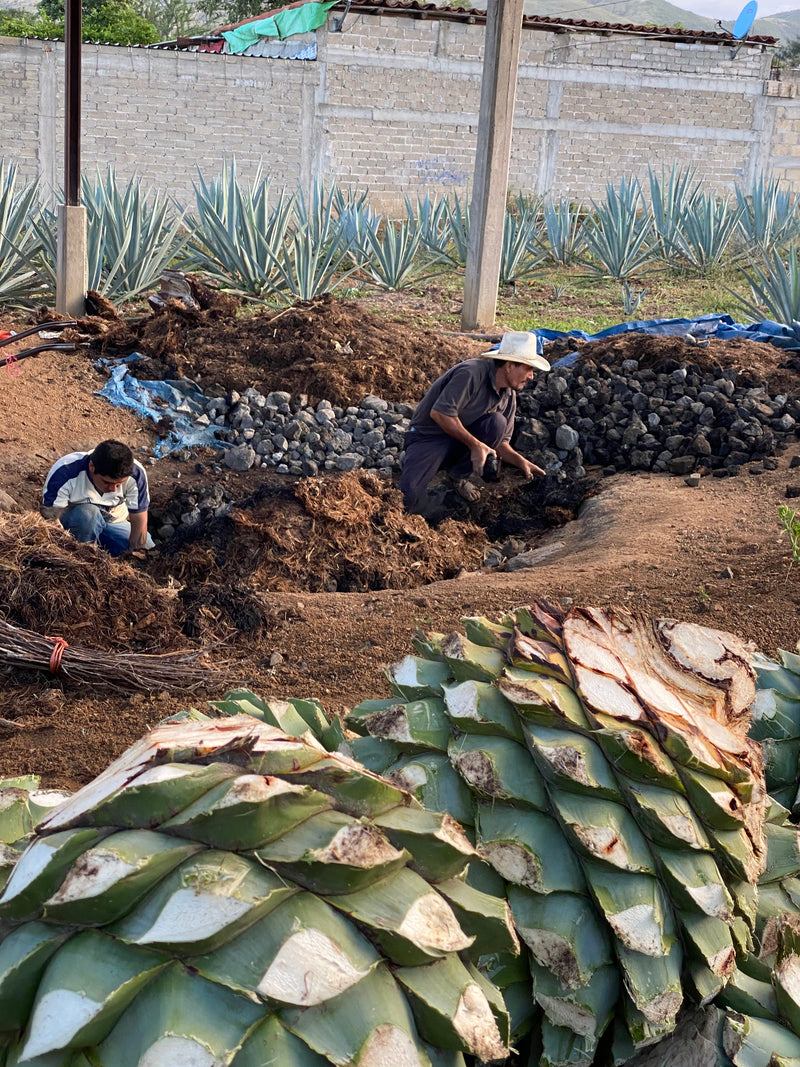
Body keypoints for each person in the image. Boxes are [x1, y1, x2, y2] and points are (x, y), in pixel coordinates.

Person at [399, 331, 550, 515]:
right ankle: (419, 468)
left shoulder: (509, 396)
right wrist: (475, 445)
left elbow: (501, 442)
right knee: (407, 498)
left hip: (459, 443)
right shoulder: (471, 373)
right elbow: (439, 414)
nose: (532, 376)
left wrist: (521, 461)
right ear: (510, 365)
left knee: (497, 423)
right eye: (528, 369)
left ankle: (457, 476)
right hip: (429, 437)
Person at [41, 440, 152, 557]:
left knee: (148, 547)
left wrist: (136, 555)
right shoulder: (66, 471)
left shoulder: (136, 474)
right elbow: (51, 518)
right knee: (88, 515)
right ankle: (82, 558)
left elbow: (139, 521)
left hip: (114, 522)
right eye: (107, 482)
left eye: (119, 484)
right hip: (77, 523)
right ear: (92, 467)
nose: (113, 489)